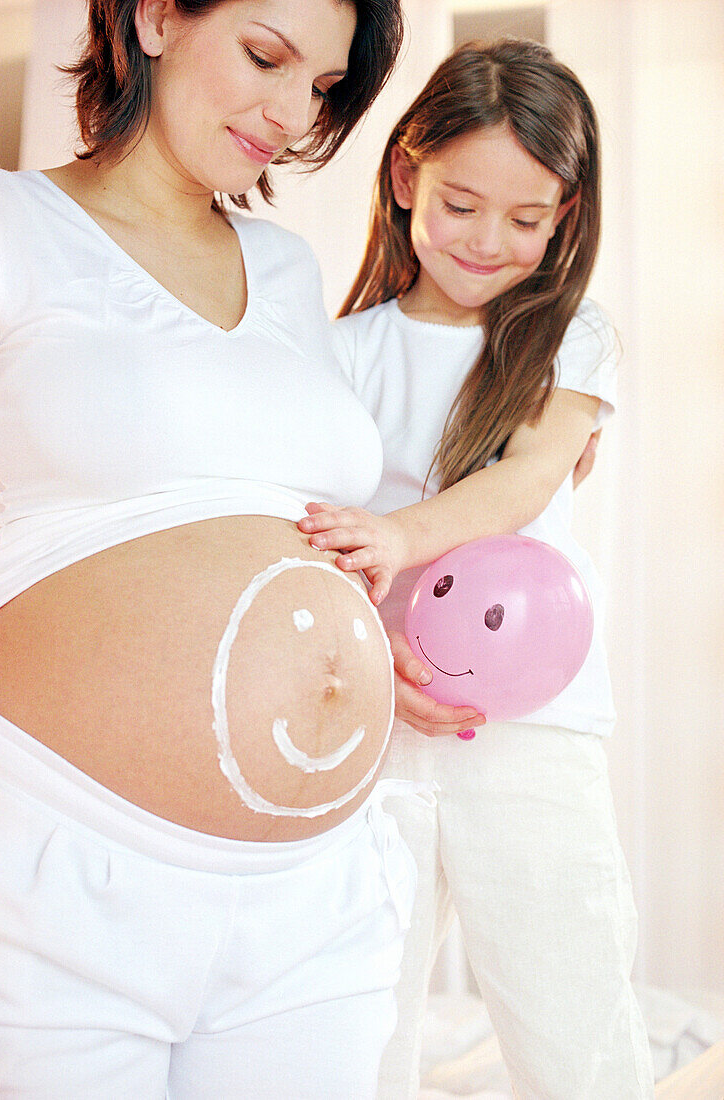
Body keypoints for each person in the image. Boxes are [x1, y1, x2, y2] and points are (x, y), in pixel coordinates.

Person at [0, 1, 416, 1096]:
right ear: (155, 16)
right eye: (266, 57)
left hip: (311, 898)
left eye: (321, 87)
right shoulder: (13, 227)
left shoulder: (283, 269)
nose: (289, 114)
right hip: (59, 869)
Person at [298, 38, 656, 1099]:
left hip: (528, 735)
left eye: (526, 218)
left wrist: (401, 537)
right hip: (374, 727)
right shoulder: (338, 350)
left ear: (566, 217)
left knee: (571, 1010)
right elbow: (304, 536)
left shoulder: (567, 341)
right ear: (406, 175)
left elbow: (517, 483)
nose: (487, 240)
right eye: (460, 203)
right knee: (362, 1015)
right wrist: (368, 645)